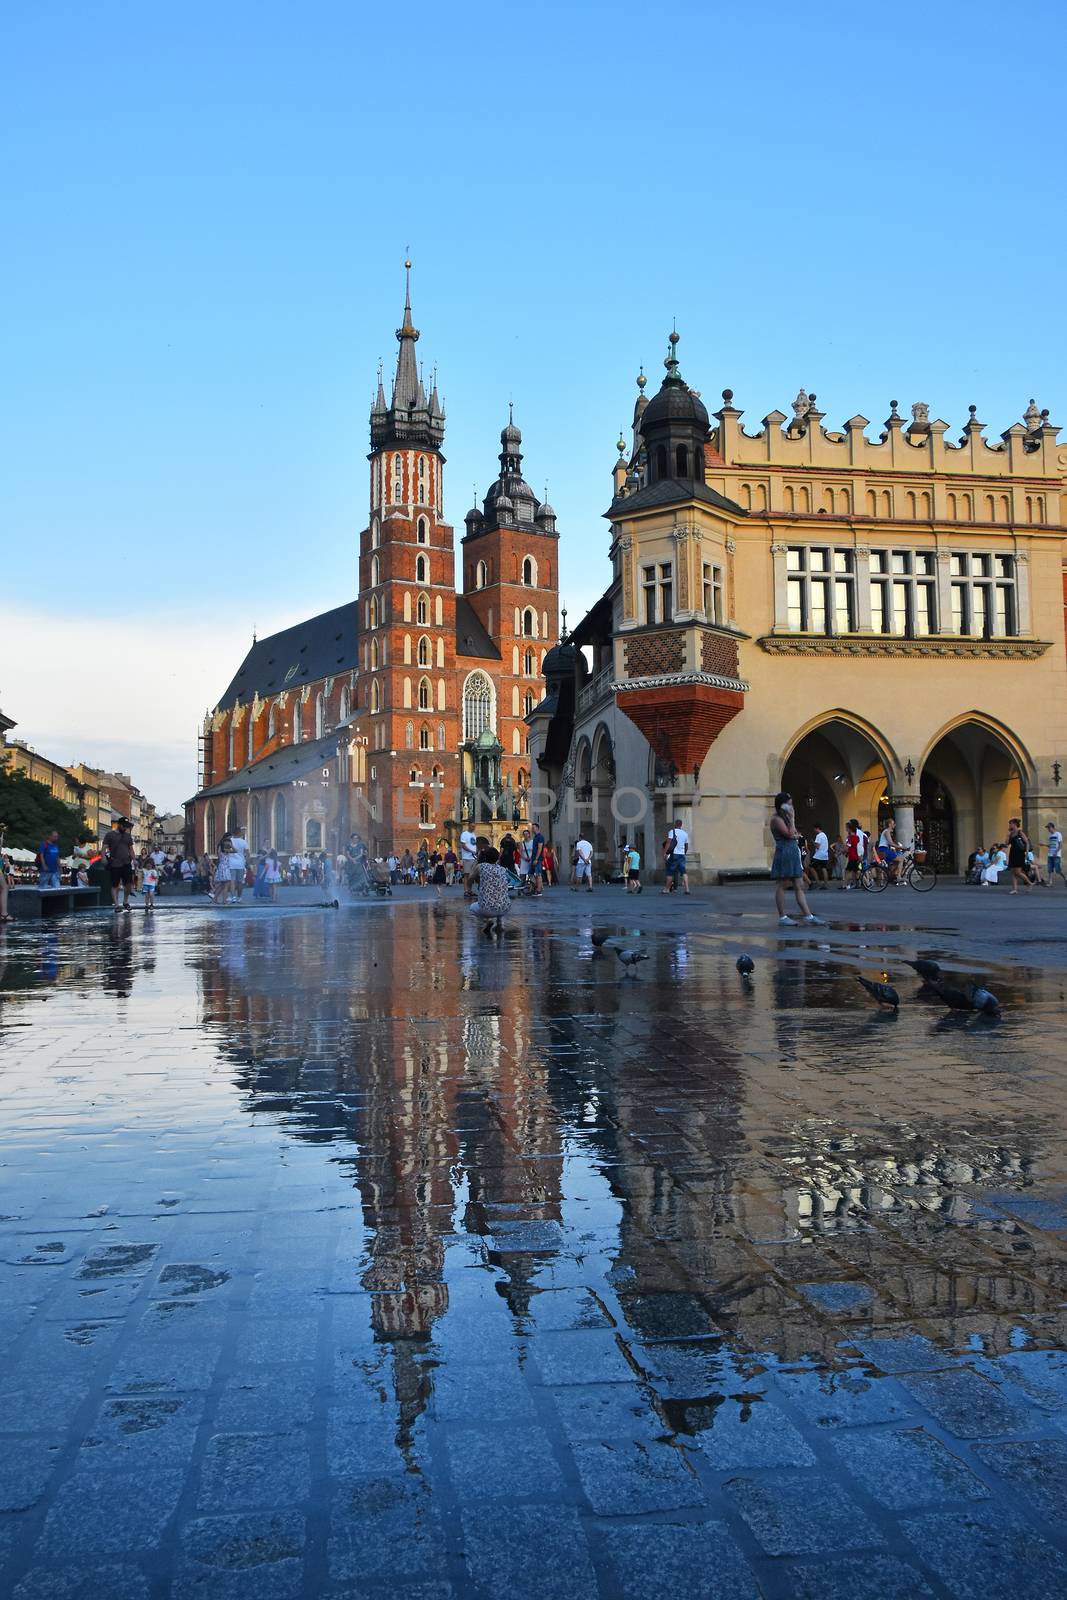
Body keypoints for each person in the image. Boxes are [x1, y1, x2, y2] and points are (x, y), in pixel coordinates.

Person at [769, 792, 823, 925]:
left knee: (799, 885)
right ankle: (782, 917)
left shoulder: (785, 818)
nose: (791, 807)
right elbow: (789, 833)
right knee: (783, 884)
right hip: (785, 853)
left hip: (792, 852)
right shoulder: (777, 819)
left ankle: (808, 916)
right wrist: (792, 819)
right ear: (781, 805)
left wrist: (793, 832)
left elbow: (793, 834)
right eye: (789, 804)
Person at [470, 845, 511, 936]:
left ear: (485, 857)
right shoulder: (502, 869)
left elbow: (470, 877)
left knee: (472, 907)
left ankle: (487, 920)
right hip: (505, 908)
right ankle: (499, 922)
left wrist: (477, 860)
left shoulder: (481, 866)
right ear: (497, 858)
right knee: (498, 899)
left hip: (486, 909)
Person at [102, 818, 137, 913]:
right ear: (119, 824)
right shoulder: (110, 834)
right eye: (125, 825)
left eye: (127, 826)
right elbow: (104, 847)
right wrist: (103, 858)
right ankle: (117, 905)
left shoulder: (127, 836)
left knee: (129, 884)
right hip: (115, 863)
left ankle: (125, 901)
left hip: (126, 863)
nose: (126, 827)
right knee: (115, 885)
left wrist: (134, 859)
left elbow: (130, 849)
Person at [661, 817, 690, 895]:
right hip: (681, 855)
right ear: (681, 825)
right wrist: (684, 853)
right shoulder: (685, 833)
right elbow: (686, 845)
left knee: (670, 872)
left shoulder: (672, 831)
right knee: (684, 872)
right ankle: (687, 889)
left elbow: (668, 842)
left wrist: (665, 853)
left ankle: (666, 889)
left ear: (675, 824)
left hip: (674, 854)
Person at [1006, 817, 1032, 895]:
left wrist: (1027, 853)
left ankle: (1029, 883)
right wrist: (1007, 835)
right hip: (1012, 853)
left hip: (1019, 853)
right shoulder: (1011, 833)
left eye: (1010, 824)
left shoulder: (1020, 832)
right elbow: (1007, 844)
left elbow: (1027, 842)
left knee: (1017, 872)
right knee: (1013, 872)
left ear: (1014, 824)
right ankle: (1015, 889)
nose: (1009, 825)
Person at [877, 818, 903, 883]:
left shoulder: (886, 831)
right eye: (893, 823)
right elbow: (890, 843)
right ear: (889, 824)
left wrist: (897, 847)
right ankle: (899, 877)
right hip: (884, 850)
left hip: (883, 849)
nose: (895, 825)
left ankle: (892, 875)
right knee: (901, 859)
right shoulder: (887, 831)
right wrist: (901, 847)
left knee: (896, 862)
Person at [213, 835, 235, 904]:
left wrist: (230, 846)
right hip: (224, 868)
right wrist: (230, 846)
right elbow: (235, 850)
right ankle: (224, 900)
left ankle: (215, 898)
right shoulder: (224, 850)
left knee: (222, 885)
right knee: (226, 885)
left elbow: (235, 851)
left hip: (223, 867)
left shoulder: (225, 850)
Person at [458, 825, 478, 899]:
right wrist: (471, 851)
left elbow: (474, 845)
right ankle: (466, 891)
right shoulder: (464, 834)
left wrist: (476, 851)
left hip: (473, 858)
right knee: (466, 874)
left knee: (472, 875)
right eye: (472, 826)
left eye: (474, 826)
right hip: (467, 857)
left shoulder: (473, 835)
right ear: (469, 826)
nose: (474, 827)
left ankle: (470, 890)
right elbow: (463, 845)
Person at [1044, 821, 1064, 887]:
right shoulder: (1050, 835)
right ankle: (1050, 882)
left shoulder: (1058, 834)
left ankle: (1065, 878)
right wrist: (1044, 845)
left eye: (1049, 827)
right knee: (1050, 869)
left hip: (1056, 855)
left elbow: (1060, 845)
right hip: (1050, 854)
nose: (1048, 829)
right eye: (1047, 828)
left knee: (1058, 870)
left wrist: (1056, 852)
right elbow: (1051, 845)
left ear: (1052, 827)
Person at [528, 822, 545, 895]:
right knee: (530, 873)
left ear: (537, 828)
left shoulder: (540, 837)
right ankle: (536, 887)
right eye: (532, 828)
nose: (532, 829)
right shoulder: (535, 837)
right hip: (533, 858)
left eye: (533, 828)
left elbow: (540, 848)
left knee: (538, 874)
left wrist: (536, 859)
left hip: (537, 859)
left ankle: (539, 890)